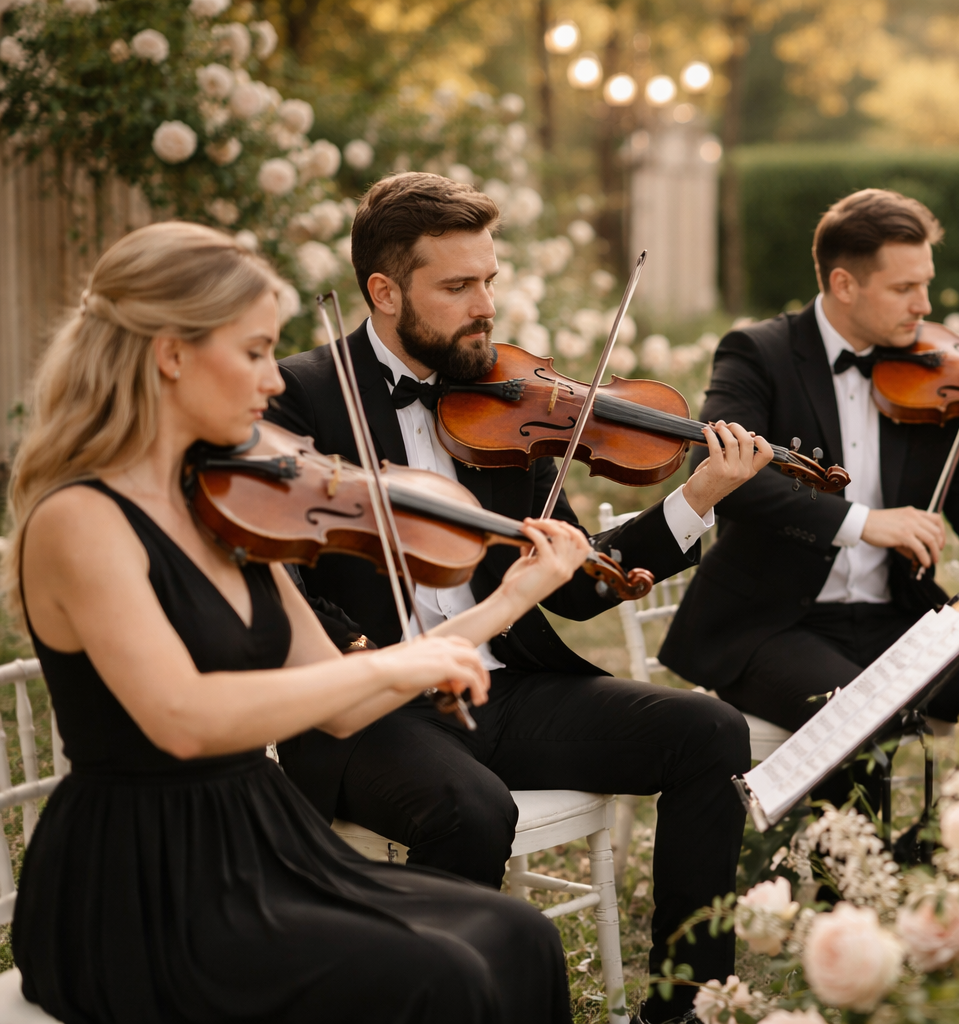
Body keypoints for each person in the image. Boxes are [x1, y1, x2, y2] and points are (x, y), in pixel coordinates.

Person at [8, 221, 583, 1022]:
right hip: (141, 878)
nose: (273, 380)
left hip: (260, 836)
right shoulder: (82, 519)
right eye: (253, 352)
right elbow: (181, 718)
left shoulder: (227, 507)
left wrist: (510, 600)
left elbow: (342, 703)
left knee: (521, 936)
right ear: (171, 354)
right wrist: (390, 662)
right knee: (442, 974)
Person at [264, 172, 772, 1024]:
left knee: (710, 731)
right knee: (471, 810)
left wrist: (699, 497)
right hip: (368, 705)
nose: (486, 306)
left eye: (490, 280)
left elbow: (576, 587)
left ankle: (683, 1008)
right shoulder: (298, 395)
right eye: (458, 286)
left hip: (503, 688)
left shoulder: (504, 396)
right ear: (384, 292)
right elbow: (275, 573)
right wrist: (359, 656)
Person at [659, 188, 959, 804]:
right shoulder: (759, 353)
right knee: (864, 721)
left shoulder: (934, 372)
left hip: (896, 619)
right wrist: (863, 522)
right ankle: (855, 864)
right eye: (904, 288)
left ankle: (954, 842)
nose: (925, 305)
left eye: (927, 284)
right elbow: (723, 474)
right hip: (775, 625)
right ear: (844, 284)